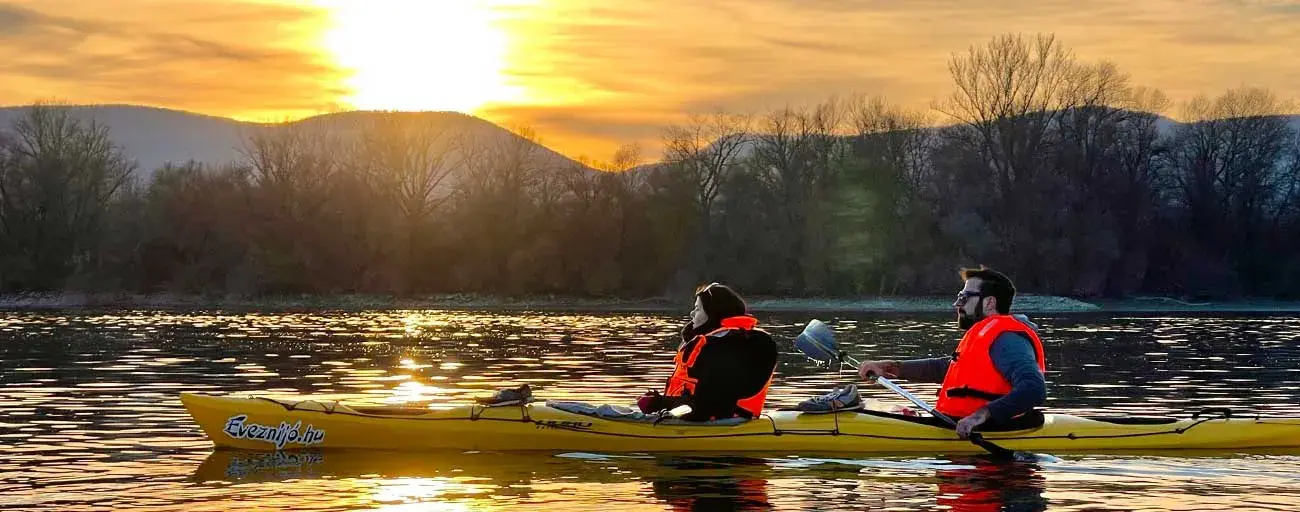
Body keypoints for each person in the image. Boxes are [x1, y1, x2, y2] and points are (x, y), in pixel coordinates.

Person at [858, 266, 1047, 438]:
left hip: (989, 432)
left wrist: (980, 416)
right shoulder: (983, 335)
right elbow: (945, 368)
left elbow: (1034, 388)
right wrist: (891, 368)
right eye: (958, 298)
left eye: (964, 298)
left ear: (989, 303)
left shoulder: (1008, 339)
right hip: (954, 423)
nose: (957, 305)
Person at [637, 283, 779, 421]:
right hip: (699, 417)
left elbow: (704, 407)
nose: (692, 313)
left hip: (724, 422)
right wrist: (661, 403)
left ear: (712, 313)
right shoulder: (716, 342)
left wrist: (660, 403)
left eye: (698, 309)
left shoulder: (726, 347)